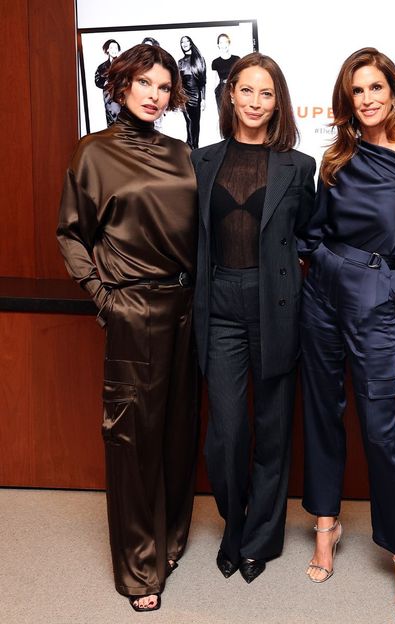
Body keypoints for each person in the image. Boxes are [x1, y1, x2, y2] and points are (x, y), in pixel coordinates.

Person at [298, 47, 395, 619]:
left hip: (376, 295)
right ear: (347, 99)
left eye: (376, 88)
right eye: (357, 91)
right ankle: (327, 523)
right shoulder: (335, 157)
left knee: (382, 428)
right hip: (323, 291)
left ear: (394, 91)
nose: (368, 99)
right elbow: (313, 229)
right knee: (322, 411)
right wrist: (321, 264)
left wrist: (392, 284)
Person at [57, 43, 199, 612]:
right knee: (132, 439)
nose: (155, 95)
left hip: (186, 306)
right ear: (120, 86)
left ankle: (168, 540)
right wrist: (102, 295)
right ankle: (139, 572)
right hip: (131, 307)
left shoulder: (183, 153)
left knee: (179, 432)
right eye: (144, 83)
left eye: (164, 87)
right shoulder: (93, 153)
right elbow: (71, 234)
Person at [191, 52, 315, 584]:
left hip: (276, 306)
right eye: (247, 91)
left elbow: (310, 232)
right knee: (226, 431)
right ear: (230, 95)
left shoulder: (299, 166)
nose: (255, 103)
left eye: (267, 94)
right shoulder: (201, 160)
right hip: (218, 304)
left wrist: (293, 266)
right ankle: (233, 522)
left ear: (278, 101)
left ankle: (259, 538)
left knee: (272, 426)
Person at [178, 35, 207, 148]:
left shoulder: (199, 59)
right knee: (188, 121)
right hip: (184, 95)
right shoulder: (180, 62)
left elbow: (203, 81)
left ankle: (195, 146)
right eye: (182, 42)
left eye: (186, 41)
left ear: (190, 43)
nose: (184, 43)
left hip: (196, 95)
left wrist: (203, 99)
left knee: (195, 123)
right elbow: (178, 82)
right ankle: (190, 145)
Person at [94, 39, 121, 126]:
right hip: (108, 96)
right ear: (108, 50)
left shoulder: (124, 64)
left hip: (121, 94)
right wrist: (105, 83)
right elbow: (97, 81)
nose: (114, 50)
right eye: (112, 47)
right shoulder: (102, 67)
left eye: (116, 48)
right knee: (111, 121)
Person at [211, 33, 240, 108]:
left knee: (235, 114)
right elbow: (214, 80)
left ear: (229, 43)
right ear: (218, 45)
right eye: (221, 42)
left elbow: (240, 76)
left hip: (234, 89)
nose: (223, 45)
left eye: (225, 42)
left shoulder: (236, 59)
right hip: (221, 91)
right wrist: (215, 90)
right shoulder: (215, 62)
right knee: (223, 115)